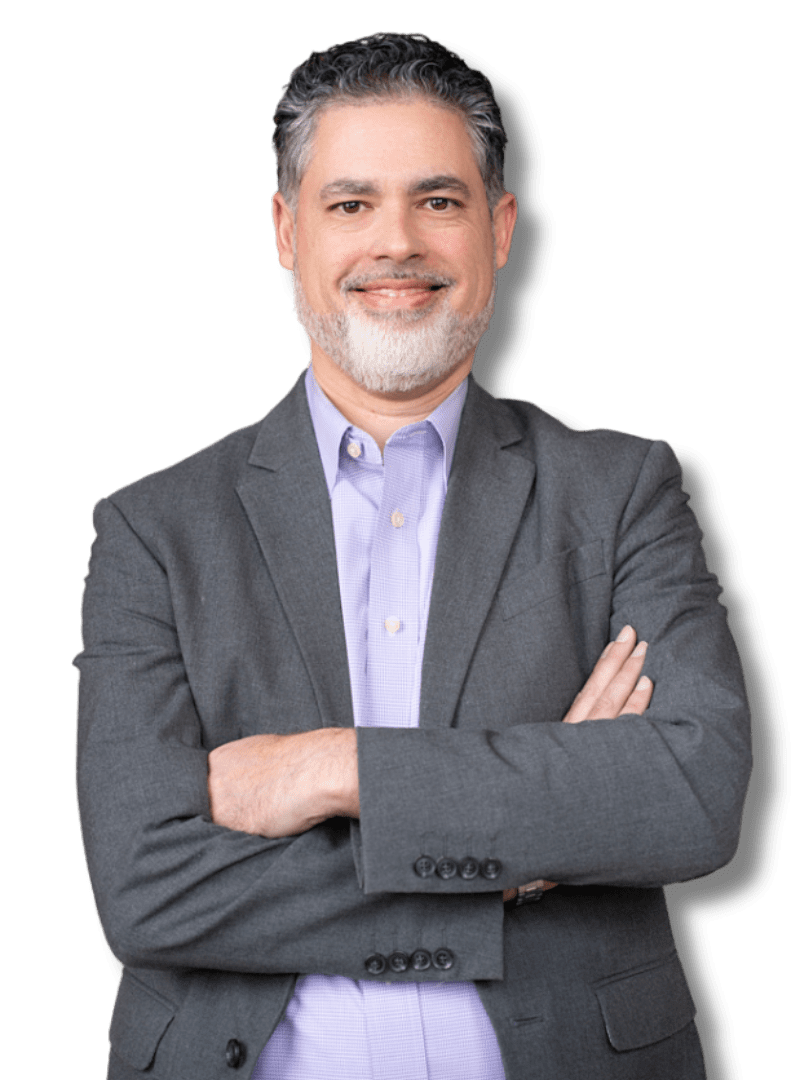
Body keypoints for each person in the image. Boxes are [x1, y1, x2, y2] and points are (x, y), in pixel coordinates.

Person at [74, 31, 752, 1080]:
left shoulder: (625, 491)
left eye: (438, 200)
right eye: (351, 204)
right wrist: (516, 863)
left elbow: (692, 796)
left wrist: (329, 767)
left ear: (501, 231)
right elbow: (144, 889)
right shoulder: (153, 530)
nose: (397, 242)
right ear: (286, 231)